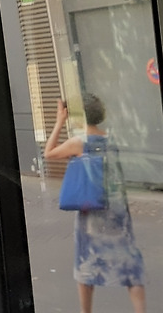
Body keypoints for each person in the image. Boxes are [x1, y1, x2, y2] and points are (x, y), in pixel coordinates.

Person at [44, 95, 146, 313]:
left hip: (92, 210)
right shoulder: (111, 139)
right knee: (130, 263)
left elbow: (49, 153)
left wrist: (59, 121)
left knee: (87, 263)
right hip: (117, 210)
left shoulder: (79, 142)